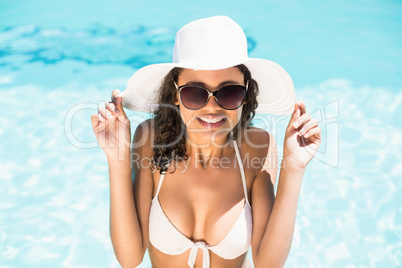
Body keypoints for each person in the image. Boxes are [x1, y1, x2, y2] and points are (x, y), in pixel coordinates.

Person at [91, 16, 321, 268]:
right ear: (175, 95)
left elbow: (268, 263)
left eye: (229, 92)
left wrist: (295, 168)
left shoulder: (257, 147)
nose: (212, 108)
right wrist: (116, 158)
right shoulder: (151, 140)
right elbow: (129, 258)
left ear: (246, 94)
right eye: (195, 93)